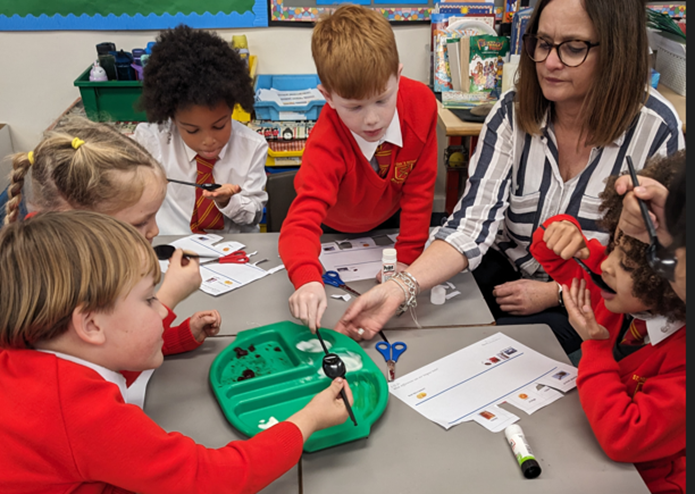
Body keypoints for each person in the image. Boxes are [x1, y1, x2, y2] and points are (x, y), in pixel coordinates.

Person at [335, 0, 684, 353]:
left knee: (493, 348)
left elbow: (651, 275)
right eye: (543, 44)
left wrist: (558, 293)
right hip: (506, 270)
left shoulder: (655, 130)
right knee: (432, 326)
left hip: (595, 299)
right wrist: (401, 286)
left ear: (617, 51)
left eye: (574, 48)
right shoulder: (511, 112)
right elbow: (470, 225)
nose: (549, 62)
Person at [0, 211, 353, 493]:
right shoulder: (81, 413)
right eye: (150, 299)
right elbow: (212, 479)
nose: (161, 307)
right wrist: (307, 421)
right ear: (90, 324)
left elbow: (109, 355)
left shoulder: (35, 354)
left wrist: (178, 336)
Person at [4, 117, 216, 393]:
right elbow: (106, 368)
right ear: (78, 222)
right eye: (140, 223)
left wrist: (179, 338)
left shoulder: (70, 257)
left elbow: (112, 347)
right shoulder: (53, 287)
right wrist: (169, 297)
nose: (154, 231)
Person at [530, 152, 686, 494]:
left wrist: (596, 348)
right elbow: (548, 252)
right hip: (584, 441)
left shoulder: (681, 360)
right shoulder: (620, 293)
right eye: (614, 244)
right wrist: (560, 230)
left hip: (645, 480)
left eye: (629, 264)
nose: (607, 265)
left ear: (671, 284)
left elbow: (626, 438)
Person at [278, 4, 438, 331]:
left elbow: (420, 192)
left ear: (398, 75)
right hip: (333, 230)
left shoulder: (421, 105)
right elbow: (300, 221)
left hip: (391, 227)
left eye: (382, 99)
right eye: (354, 106)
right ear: (328, 96)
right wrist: (307, 279)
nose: (371, 119)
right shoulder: (326, 142)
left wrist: (406, 256)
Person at [134, 24, 268, 235]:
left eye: (219, 126)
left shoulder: (252, 146)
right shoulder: (151, 141)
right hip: (172, 246)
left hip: (233, 250)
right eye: (192, 130)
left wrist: (229, 201)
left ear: (232, 109)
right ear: (172, 118)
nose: (208, 140)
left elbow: (255, 215)